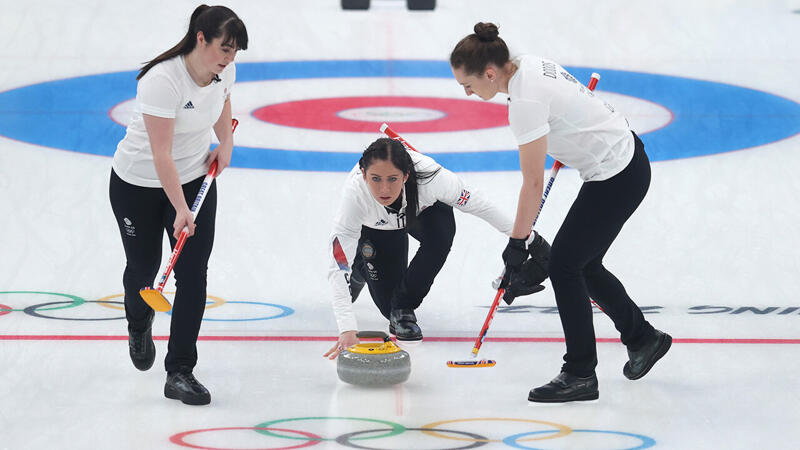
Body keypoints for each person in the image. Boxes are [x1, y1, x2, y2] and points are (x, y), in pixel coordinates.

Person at [449, 22, 672, 403]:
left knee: (565, 266)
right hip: (624, 162)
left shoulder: (525, 102)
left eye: (467, 84)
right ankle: (643, 338)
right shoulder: (526, 65)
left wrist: (517, 245)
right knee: (584, 265)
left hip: (617, 175)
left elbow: (532, 183)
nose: (467, 93)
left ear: (489, 73)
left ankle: (580, 373)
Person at [109, 5, 247, 406]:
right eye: (224, 48)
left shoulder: (224, 70)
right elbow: (161, 154)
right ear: (200, 38)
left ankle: (180, 370)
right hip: (138, 184)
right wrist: (181, 208)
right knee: (143, 268)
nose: (229, 58)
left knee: (192, 274)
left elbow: (222, 101)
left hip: (194, 176)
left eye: (235, 51)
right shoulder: (162, 81)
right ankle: (139, 321)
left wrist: (226, 142)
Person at [324, 137, 549, 360]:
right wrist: (347, 328)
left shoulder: (433, 178)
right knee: (385, 306)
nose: (384, 188)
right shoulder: (355, 195)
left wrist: (530, 239)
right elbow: (338, 262)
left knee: (441, 234)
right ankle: (361, 270)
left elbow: (480, 205)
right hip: (377, 226)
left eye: (393, 179)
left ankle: (403, 308)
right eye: (375, 179)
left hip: (421, 211)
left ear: (406, 175)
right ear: (364, 175)